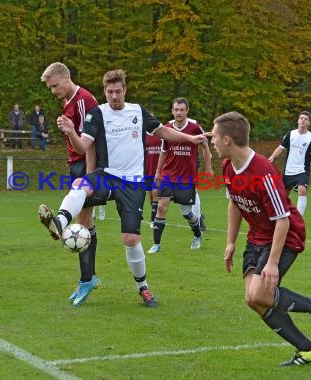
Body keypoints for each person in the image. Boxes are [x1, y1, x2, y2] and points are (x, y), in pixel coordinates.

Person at [39, 69, 207, 307]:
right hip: (107, 175)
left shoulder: (138, 111)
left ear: (125, 91)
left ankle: (143, 288)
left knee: (130, 239)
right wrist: (70, 132)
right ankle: (60, 222)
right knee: (81, 184)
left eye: (118, 91)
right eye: (109, 92)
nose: (114, 96)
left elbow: (162, 131)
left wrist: (189, 139)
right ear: (104, 92)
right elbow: (81, 147)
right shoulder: (97, 114)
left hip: (133, 182)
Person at [210, 111, 311, 366]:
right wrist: (231, 242)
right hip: (256, 237)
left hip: (285, 236)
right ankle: (307, 350)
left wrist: (272, 263)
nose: (211, 141)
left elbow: (282, 219)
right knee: (253, 299)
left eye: (213, 136)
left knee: (261, 294)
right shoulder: (228, 166)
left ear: (227, 140)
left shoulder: (263, 171)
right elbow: (235, 204)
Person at [39, 62, 100, 306]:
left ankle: (88, 279)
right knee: (84, 223)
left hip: (88, 163)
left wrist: (91, 173)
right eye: (50, 87)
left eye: (55, 85)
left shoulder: (83, 99)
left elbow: (92, 140)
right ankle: (88, 279)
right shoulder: (68, 101)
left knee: (82, 223)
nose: (53, 91)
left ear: (67, 78)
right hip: (77, 162)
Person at [148, 97, 213, 254]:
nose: (178, 112)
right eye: (176, 109)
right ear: (172, 110)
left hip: (187, 178)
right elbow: (163, 152)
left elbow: (205, 148)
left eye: (181, 110)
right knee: (161, 207)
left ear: (187, 111)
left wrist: (209, 168)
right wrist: (158, 172)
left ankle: (197, 235)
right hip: (168, 176)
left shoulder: (195, 128)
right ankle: (156, 244)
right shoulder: (167, 128)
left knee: (187, 213)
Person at [267, 111, 311, 216]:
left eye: (306, 119)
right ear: (298, 121)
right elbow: (281, 148)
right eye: (301, 118)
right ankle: (283, 216)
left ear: (309, 123)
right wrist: (272, 156)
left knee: (302, 190)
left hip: (302, 170)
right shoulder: (291, 134)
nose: (303, 120)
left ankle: (299, 218)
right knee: (284, 196)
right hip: (289, 171)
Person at [145, 131, 162, 228]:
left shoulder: (160, 134)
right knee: (150, 194)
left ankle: (153, 220)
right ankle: (156, 211)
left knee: (155, 193)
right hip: (147, 169)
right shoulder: (143, 134)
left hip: (157, 170)